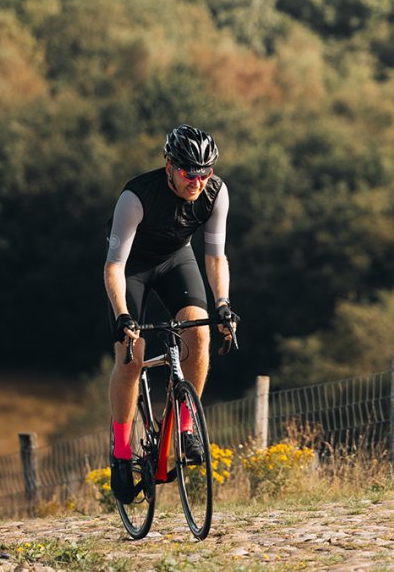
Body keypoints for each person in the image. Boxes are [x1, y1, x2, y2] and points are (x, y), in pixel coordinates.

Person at [103, 123, 238, 504]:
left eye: (204, 172)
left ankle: (186, 424)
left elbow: (215, 256)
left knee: (199, 334)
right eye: (187, 172)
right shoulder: (136, 197)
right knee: (132, 357)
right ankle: (122, 452)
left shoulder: (215, 192)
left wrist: (223, 304)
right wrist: (123, 315)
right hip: (132, 268)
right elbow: (113, 267)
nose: (196, 180)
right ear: (169, 166)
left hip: (177, 259)